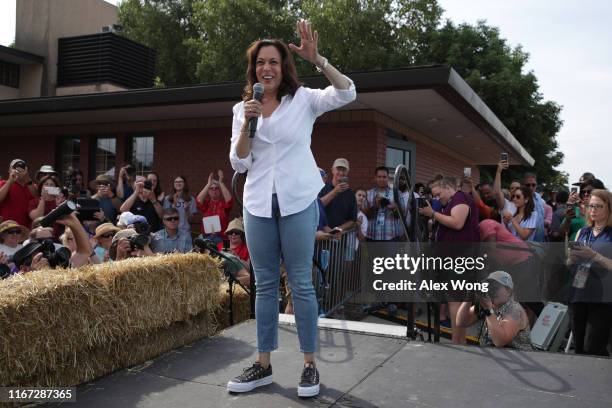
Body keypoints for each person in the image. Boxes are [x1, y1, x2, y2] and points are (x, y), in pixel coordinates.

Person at [226, 21, 355, 397]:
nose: (267, 68)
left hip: (298, 201)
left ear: (283, 68)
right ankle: (263, 365)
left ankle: (310, 366)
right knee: (265, 285)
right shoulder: (242, 109)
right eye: (260, 63)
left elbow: (348, 93)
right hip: (258, 205)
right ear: (253, 70)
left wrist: (320, 60)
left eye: (274, 62)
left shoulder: (304, 99)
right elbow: (240, 162)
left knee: (300, 281)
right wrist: (249, 123)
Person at [419, 176, 480, 344]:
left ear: (447, 187)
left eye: (439, 194)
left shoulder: (460, 198)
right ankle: (459, 340)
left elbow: (457, 222)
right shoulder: (451, 203)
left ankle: (458, 341)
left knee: (455, 302)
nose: (438, 199)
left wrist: (433, 213)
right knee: (456, 301)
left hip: (460, 259)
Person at [567, 189, 612, 356]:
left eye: (598, 206)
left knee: (593, 346)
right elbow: (569, 262)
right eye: (591, 205)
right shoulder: (583, 232)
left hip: (602, 297)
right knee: (578, 346)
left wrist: (594, 255)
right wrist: (571, 258)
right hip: (579, 291)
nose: (593, 210)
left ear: (609, 208)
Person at [456, 271, 533, 350]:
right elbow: (461, 322)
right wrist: (469, 296)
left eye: (495, 287)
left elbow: (500, 341)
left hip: (517, 357)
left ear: (509, 291)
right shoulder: (489, 303)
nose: (491, 290)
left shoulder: (515, 310)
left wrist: (488, 311)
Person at [364, 166, 402, 242]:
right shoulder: (368, 193)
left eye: (384, 177)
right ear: (375, 178)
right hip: (372, 236)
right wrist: (375, 206)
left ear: (388, 178)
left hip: (391, 236)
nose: (382, 179)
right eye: (379, 177)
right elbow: (366, 216)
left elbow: (400, 216)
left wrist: (394, 208)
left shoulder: (396, 194)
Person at [318, 158, 357, 231]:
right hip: (321, 236)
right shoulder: (322, 188)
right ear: (332, 170)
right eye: (338, 169)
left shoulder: (350, 193)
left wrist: (337, 230)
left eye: (344, 170)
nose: (341, 173)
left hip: (341, 238)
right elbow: (317, 206)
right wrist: (335, 191)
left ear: (347, 172)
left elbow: (352, 219)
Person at [196, 170, 233, 245]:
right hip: (206, 238)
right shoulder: (206, 203)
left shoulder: (223, 203)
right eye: (211, 188)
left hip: (221, 238)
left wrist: (221, 183)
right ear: (208, 191)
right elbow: (198, 200)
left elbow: (229, 200)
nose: (214, 190)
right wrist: (208, 183)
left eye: (216, 188)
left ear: (220, 191)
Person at [0, 159, 37, 228]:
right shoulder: (3, 183)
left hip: (26, 228)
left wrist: (27, 178)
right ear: (9, 170)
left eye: (21, 168)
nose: (18, 171)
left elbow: (36, 197)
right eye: (15, 168)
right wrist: (10, 181)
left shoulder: (31, 185)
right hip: (8, 228)